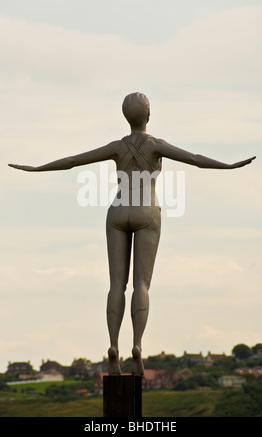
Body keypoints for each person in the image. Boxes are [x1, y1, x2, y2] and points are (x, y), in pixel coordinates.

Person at [9, 92, 256, 376]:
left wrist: (37, 168)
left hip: (116, 212)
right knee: (142, 285)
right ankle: (137, 346)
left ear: (126, 117)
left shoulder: (117, 147)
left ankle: (113, 345)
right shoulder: (155, 145)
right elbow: (196, 159)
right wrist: (228, 165)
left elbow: (74, 160)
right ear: (148, 115)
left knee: (116, 284)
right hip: (146, 211)